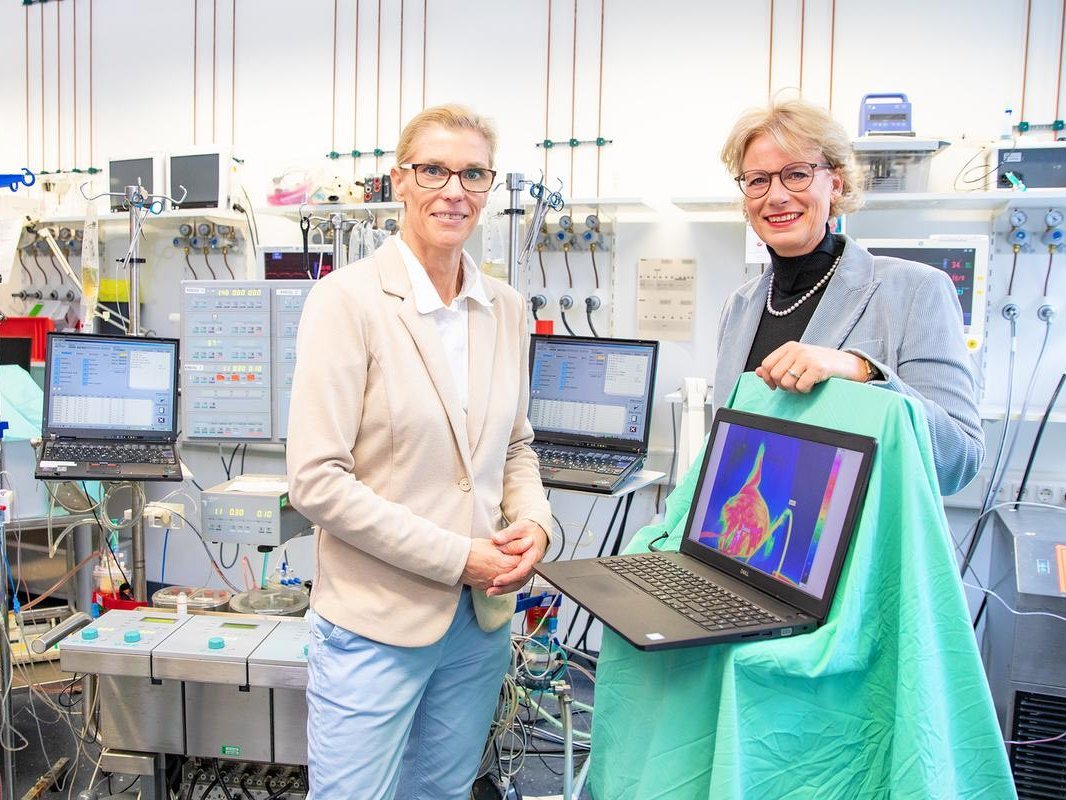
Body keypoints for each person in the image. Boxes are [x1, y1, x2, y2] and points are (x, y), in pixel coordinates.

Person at [286, 104, 551, 800]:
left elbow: (515, 446)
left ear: (490, 187)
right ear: (399, 180)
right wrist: (458, 556)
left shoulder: (507, 308)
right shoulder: (347, 303)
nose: (453, 190)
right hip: (377, 624)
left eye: (472, 173)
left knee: (440, 792)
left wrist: (536, 526)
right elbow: (317, 481)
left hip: (479, 625)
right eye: (434, 170)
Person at [715, 98, 983, 495]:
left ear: (835, 183)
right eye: (758, 180)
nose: (776, 196)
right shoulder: (739, 306)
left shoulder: (916, 290)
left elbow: (957, 461)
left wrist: (862, 371)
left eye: (797, 174)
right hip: (752, 540)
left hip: (855, 549)